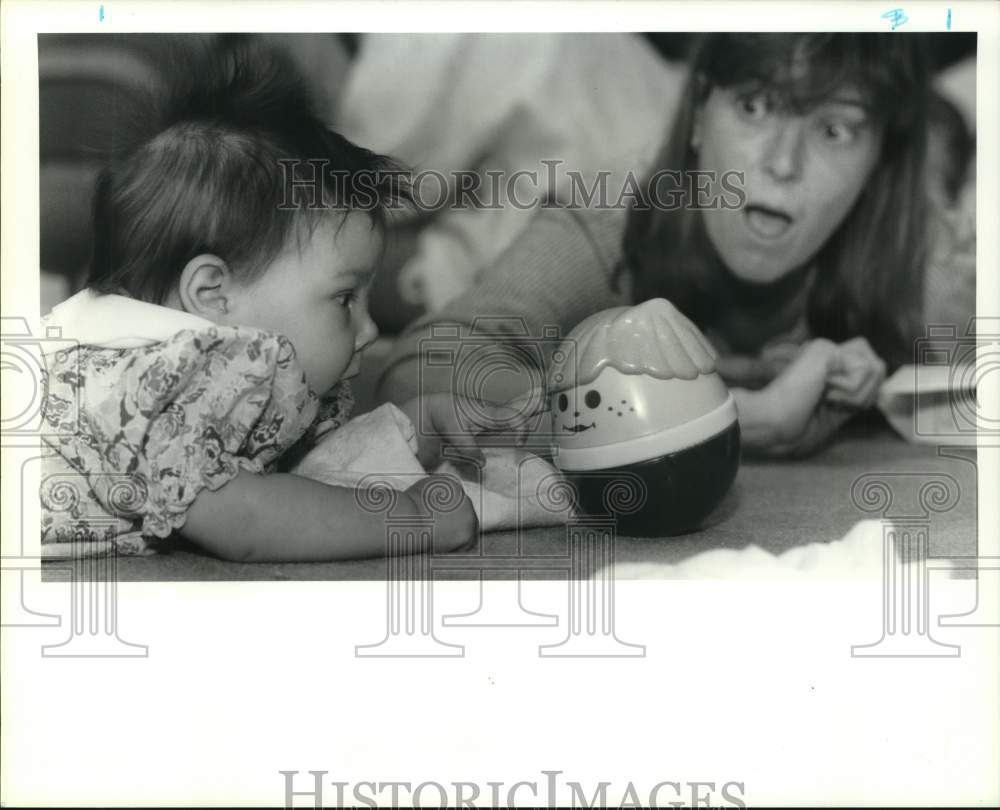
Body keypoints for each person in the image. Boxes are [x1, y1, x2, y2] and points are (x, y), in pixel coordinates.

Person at [376, 33, 976, 458]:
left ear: (879, 161)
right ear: (696, 115)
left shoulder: (919, 260)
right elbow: (416, 376)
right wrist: (723, 413)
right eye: (755, 106)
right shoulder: (612, 225)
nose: (782, 163)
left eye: (834, 129)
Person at [39, 45, 499, 561]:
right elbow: (251, 519)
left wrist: (408, 437)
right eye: (345, 298)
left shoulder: (192, 369)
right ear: (214, 293)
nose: (368, 329)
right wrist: (411, 520)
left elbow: (298, 471)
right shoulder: (174, 375)